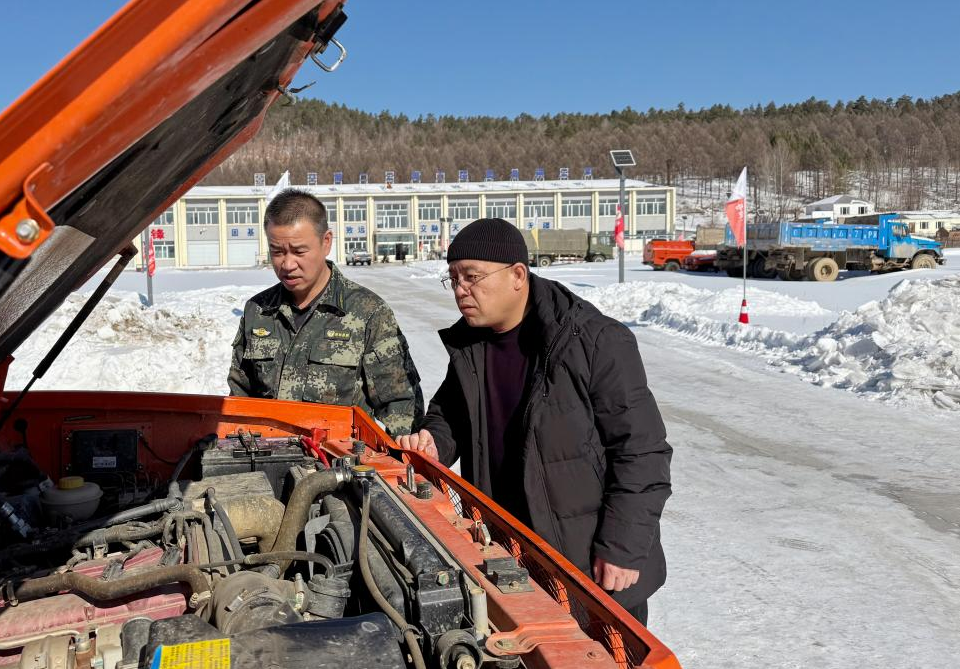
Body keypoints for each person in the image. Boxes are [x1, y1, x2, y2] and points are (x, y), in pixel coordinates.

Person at [395, 218, 671, 624]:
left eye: (472, 277)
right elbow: (449, 414)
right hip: (509, 556)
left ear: (518, 276)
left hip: (588, 565)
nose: (459, 291)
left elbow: (642, 451)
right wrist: (435, 440)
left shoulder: (593, 340)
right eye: (452, 279)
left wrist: (622, 548)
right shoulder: (474, 344)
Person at [228, 189, 423, 437]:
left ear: (326, 242)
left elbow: (402, 408)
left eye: (299, 251)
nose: (287, 264)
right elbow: (240, 399)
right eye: (277, 252)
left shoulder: (367, 312)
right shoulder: (258, 311)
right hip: (269, 460)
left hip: (338, 468)